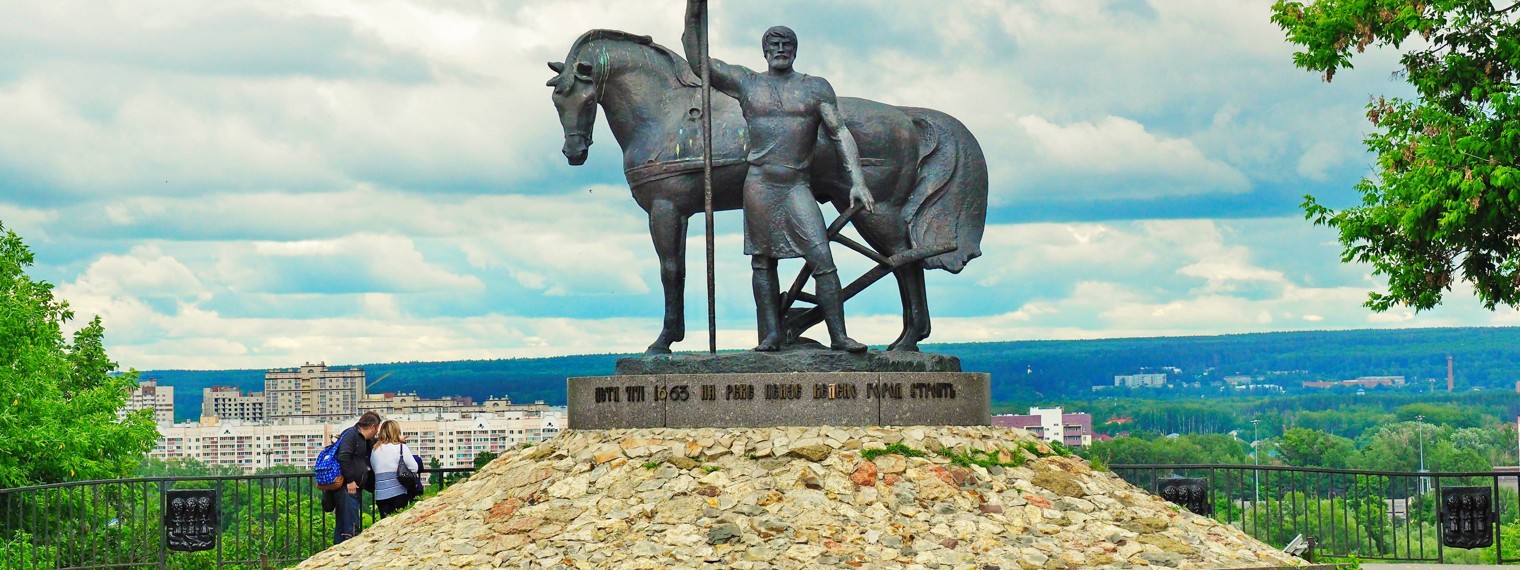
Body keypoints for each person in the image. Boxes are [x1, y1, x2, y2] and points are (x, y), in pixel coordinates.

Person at [683, 0, 873, 353]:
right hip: (760, 184)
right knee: (762, 261)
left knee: (823, 260)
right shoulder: (747, 83)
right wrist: (694, 10)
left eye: (787, 45)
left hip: (796, 185)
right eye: (774, 46)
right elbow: (698, 61)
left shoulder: (815, 87)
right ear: (765, 51)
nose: (780, 51)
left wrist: (858, 181)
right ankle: (770, 334)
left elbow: (839, 132)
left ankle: (839, 336)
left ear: (795, 51)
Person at [329, 411, 380, 544]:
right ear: (373, 426)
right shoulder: (352, 435)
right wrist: (350, 480)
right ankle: (345, 552)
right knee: (349, 526)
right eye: (377, 429)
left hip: (352, 487)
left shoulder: (362, 439)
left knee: (343, 523)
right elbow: (344, 457)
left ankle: (338, 551)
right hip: (348, 488)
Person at [369, 419, 421, 517]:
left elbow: (374, 468)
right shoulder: (401, 447)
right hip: (398, 492)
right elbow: (414, 468)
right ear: (397, 431)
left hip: (381, 495)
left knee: (385, 524)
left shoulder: (375, 449)